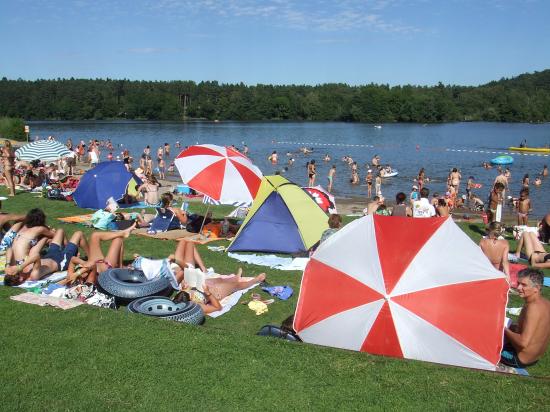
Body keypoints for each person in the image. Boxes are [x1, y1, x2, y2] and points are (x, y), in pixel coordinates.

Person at [501, 268, 550, 369]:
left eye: (523, 285)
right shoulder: (546, 303)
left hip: (518, 359)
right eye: (518, 283)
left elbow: (523, 342)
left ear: (536, 288)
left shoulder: (533, 308)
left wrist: (504, 328)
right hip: (534, 357)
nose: (518, 287)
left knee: (483, 344)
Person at [3, 229, 89, 285]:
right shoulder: (32, 276)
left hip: (50, 254)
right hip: (61, 261)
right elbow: (36, 256)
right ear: (21, 279)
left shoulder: (20, 269)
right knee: (79, 234)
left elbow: (9, 249)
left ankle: (71, 250)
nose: (16, 270)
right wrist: (20, 267)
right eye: (17, 273)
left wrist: (7, 265)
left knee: (60, 231)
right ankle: (91, 257)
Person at [60, 225, 135, 285]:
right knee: (118, 240)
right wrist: (77, 273)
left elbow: (73, 259)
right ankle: (120, 268)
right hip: (107, 266)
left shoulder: (71, 276)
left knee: (95, 235)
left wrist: (74, 272)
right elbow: (92, 265)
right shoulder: (89, 282)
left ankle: (123, 232)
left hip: (95, 260)